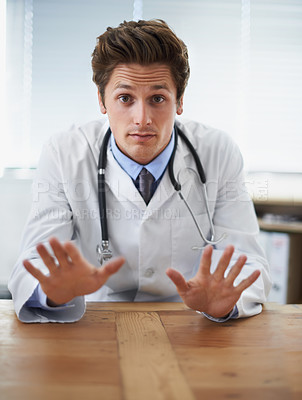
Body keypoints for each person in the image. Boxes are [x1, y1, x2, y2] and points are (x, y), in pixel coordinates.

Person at [8, 19, 271, 323]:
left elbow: (248, 261)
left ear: (180, 101)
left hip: (188, 319)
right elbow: (32, 265)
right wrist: (54, 292)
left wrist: (224, 303)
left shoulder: (218, 151)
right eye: (125, 98)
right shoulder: (64, 153)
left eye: (157, 99)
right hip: (96, 320)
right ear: (101, 100)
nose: (142, 118)